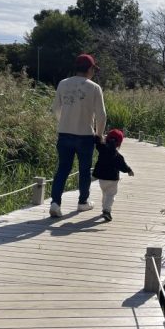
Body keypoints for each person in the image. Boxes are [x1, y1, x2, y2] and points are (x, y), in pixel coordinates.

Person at [49, 54, 106, 218]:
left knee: (63, 169)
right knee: (84, 170)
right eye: (93, 69)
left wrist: (63, 122)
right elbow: (101, 116)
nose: (93, 72)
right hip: (85, 135)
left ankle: (55, 203)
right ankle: (82, 202)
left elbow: (55, 109)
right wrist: (99, 134)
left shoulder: (63, 83)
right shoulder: (94, 88)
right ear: (89, 69)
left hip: (64, 133)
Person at [92, 129, 134, 221]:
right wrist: (129, 170)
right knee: (111, 195)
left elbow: (97, 143)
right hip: (112, 179)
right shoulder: (118, 156)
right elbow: (123, 166)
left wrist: (98, 136)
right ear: (119, 144)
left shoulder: (102, 148)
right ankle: (106, 211)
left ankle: (104, 208)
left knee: (105, 193)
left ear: (107, 139)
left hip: (101, 178)